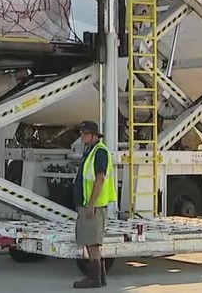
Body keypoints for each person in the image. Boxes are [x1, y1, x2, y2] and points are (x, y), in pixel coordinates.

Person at [73, 120, 116, 288]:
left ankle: (94, 278)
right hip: (88, 204)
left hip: (94, 205)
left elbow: (100, 179)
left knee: (92, 243)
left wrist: (91, 204)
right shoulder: (91, 151)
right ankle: (100, 277)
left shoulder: (99, 152)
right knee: (92, 242)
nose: (82, 136)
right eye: (81, 133)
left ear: (93, 135)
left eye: (85, 133)